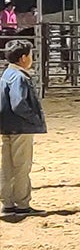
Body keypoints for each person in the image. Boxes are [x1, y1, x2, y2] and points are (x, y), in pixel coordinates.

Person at [0, 39, 45, 217]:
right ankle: (22, 203)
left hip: (6, 126)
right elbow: (18, 103)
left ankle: (8, 202)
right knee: (22, 166)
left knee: (7, 165)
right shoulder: (20, 76)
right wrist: (33, 118)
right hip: (21, 127)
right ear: (24, 58)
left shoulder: (6, 74)